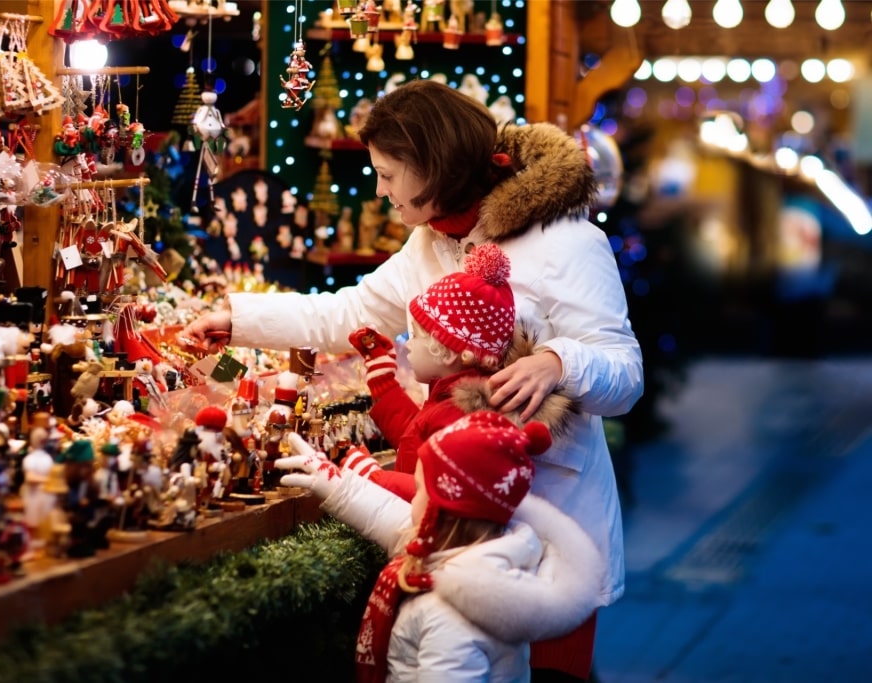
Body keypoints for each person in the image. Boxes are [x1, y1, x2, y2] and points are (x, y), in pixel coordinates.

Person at [183, 78, 644, 681]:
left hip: (547, 528)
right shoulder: (428, 244)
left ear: (436, 167)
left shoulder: (569, 242)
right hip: (450, 523)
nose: (380, 192)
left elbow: (625, 374)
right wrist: (236, 318)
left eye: (389, 174)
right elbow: (347, 313)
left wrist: (559, 361)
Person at [276, 411, 604, 683]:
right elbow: (392, 518)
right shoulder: (477, 554)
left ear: (443, 512)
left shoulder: (451, 615)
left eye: (420, 490)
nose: (413, 498)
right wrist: (337, 483)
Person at [343, 242, 577, 502]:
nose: (407, 344)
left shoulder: (459, 417)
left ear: (447, 350)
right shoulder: (451, 398)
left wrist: (372, 478)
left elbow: (433, 493)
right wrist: (384, 384)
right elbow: (417, 440)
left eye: (416, 336)